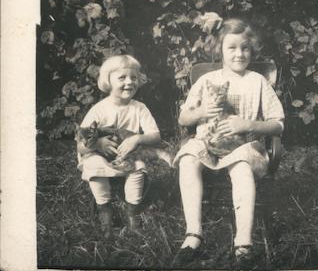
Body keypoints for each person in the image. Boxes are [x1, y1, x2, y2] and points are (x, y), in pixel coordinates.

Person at [171, 17, 285, 267]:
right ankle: (193, 234)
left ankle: (243, 243)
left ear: (251, 49)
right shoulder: (205, 81)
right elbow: (183, 118)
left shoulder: (258, 82)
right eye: (231, 47)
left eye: (245, 47)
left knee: (241, 166)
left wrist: (248, 124)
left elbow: (278, 124)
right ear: (219, 49)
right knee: (189, 159)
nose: (239, 53)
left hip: (245, 146)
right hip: (207, 141)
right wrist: (201, 112)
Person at [76, 55, 161, 237]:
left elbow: (156, 136)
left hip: (126, 155)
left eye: (134, 77)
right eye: (122, 78)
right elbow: (80, 147)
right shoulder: (99, 109)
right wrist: (98, 143)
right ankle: (104, 210)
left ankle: (132, 212)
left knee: (138, 167)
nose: (129, 82)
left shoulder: (139, 108)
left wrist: (137, 139)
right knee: (94, 165)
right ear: (108, 81)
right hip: (98, 154)